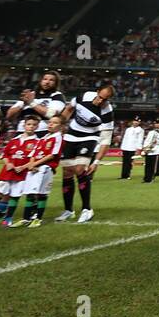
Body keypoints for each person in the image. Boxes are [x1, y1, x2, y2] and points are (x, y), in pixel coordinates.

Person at [56, 82, 115, 223]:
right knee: (67, 172)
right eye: (100, 97)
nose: (101, 101)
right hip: (71, 134)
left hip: (89, 137)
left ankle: (87, 209)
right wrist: (61, 123)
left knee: (80, 169)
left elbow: (106, 141)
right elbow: (69, 108)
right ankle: (68, 210)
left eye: (105, 99)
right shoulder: (84, 96)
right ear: (97, 91)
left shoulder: (107, 112)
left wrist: (96, 162)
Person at [0, 114, 40, 229]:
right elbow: (4, 154)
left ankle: (32, 213)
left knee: (27, 194)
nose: (31, 127)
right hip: (9, 172)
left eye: (34, 125)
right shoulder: (14, 140)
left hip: (25, 173)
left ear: (37, 127)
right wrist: (8, 163)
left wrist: (24, 166)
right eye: (28, 124)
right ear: (24, 125)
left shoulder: (37, 142)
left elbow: (36, 158)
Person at [18, 113, 65, 227]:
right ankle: (26, 218)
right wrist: (31, 164)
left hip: (45, 168)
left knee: (41, 194)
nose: (51, 124)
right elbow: (34, 153)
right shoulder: (43, 138)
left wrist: (35, 164)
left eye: (55, 123)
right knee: (29, 193)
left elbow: (52, 155)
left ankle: (38, 218)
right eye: (50, 122)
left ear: (61, 126)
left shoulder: (58, 137)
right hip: (34, 168)